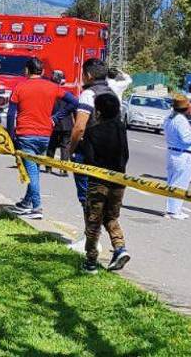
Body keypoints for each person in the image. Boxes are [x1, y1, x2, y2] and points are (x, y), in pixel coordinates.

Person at [8, 58, 78, 219]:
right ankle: (26, 202)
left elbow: (11, 113)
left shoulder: (19, 87)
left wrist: (11, 135)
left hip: (25, 134)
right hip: (45, 135)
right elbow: (74, 102)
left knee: (32, 171)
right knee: (34, 170)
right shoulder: (53, 87)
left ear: (27, 70)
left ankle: (37, 207)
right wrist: (55, 118)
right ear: (42, 71)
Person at [78, 93, 132, 273]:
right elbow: (125, 155)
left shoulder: (92, 131)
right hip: (118, 180)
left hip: (98, 181)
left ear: (98, 111)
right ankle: (120, 248)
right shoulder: (120, 128)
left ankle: (91, 261)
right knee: (111, 216)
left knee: (93, 220)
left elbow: (88, 159)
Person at [67, 58, 118, 209]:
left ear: (88, 75)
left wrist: (71, 149)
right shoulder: (112, 94)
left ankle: (90, 232)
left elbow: (79, 127)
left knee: (86, 196)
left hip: (88, 151)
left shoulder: (89, 94)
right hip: (109, 152)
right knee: (101, 194)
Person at [162, 93, 191, 219]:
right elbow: (187, 139)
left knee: (172, 182)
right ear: (185, 108)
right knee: (180, 183)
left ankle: (173, 209)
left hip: (172, 152)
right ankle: (174, 211)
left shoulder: (169, 117)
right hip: (182, 154)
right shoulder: (181, 120)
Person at [45, 70, 75, 178]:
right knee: (65, 146)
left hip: (53, 123)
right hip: (67, 124)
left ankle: (48, 167)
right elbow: (74, 108)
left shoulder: (49, 92)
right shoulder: (68, 94)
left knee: (51, 145)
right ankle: (63, 169)